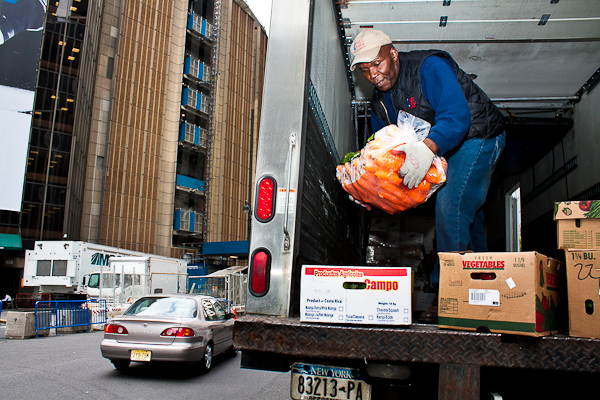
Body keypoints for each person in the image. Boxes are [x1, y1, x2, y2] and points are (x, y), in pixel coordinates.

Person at [350, 29, 506, 287]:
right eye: (365, 70)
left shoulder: (429, 67)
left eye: (377, 64)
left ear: (393, 54)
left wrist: (427, 148)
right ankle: (484, 285)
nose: (373, 75)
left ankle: (450, 290)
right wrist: (368, 188)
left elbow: (457, 117)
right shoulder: (380, 102)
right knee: (467, 212)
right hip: (443, 148)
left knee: (450, 204)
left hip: (479, 136)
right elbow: (384, 150)